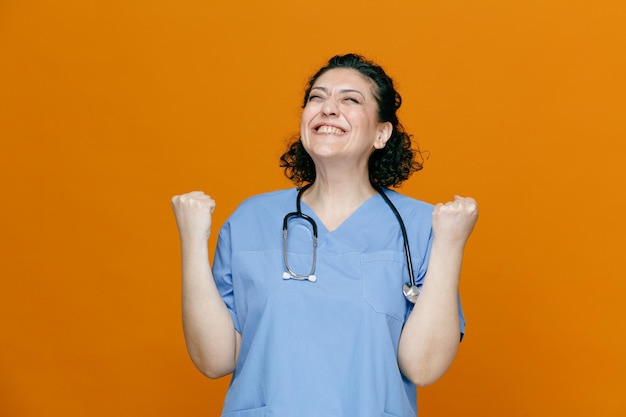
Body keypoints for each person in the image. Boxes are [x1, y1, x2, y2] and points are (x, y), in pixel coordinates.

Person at [171, 53, 478, 417]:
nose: (328, 108)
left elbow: (422, 367)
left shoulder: (422, 226)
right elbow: (214, 360)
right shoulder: (250, 219)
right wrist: (192, 241)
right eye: (317, 97)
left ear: (381, 133)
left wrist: (450, 245)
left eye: (350, 99)